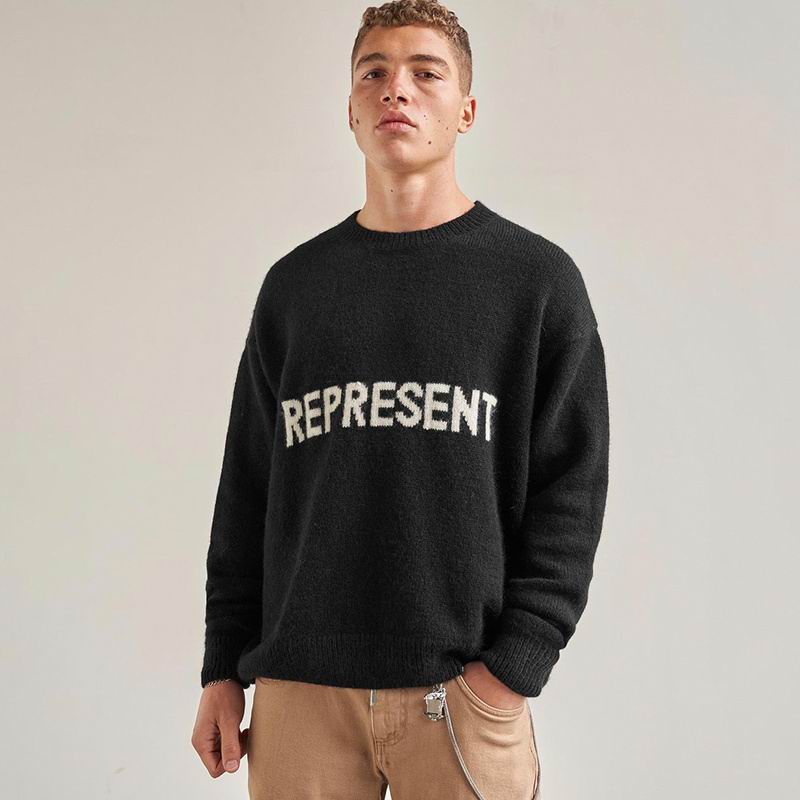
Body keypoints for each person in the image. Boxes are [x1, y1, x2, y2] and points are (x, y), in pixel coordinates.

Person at [191, 1, 610, 797]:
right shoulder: (295, 289)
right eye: (374, 73)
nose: (396, 90)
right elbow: (247, 491)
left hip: (460, 695)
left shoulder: (535, 284)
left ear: (466, 110)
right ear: (350, 110)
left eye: (426, 73)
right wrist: (222, 668)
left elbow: (572, 491)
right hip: (300, 696)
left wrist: (510, 672)